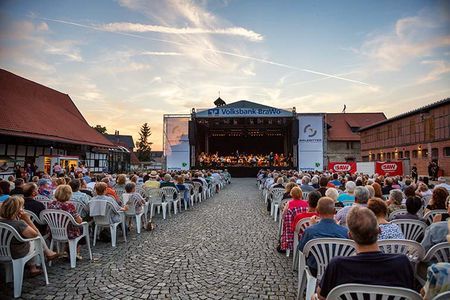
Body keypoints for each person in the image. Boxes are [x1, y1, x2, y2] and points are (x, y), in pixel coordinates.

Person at [315, 206, 415, 299]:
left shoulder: (338, 265)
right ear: (379, 231)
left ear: (350, 236)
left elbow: (322, 296)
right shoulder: (402, 262)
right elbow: (413, 294)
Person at [0, 196, 58, 277]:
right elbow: (35, 234)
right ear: (18, 210)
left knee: (28, 238)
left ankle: (35, 265)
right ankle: (43, 257)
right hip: (16, 252)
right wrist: (27, 220)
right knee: (35, 239)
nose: (23, 208)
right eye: (22, 207)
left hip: (2, 252)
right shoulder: (19, 224)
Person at [298, 197, 348, 275]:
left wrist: (312, 226)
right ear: (335, 212)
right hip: (338, 269)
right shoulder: (345, 232)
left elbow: (302, 249)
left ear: (317, 211)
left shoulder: (310, 231)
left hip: (316, 268)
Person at [279, 187, 308, 252]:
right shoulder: (306, 203)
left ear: (291, 194)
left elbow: (283, 216)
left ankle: (288, 246)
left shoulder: (289, 203)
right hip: (303, 227)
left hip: (291, 227)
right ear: (301, 194)